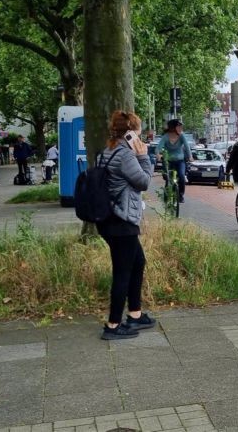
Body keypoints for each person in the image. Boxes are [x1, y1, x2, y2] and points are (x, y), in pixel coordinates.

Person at [97, 110, 155, 340]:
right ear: (131, 134)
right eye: (138, 134)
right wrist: (144, 157)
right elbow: (144, 182)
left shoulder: (107, 150)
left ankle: (135, 313)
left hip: (110, 218)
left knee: (138, 262)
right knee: (123, 272)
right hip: (121, 222)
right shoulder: (125, 155)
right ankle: (112, 326)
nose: (141, 139)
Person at [156, 119, 192, 202]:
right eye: (178, 126)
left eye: (181, 126)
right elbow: (158, 148)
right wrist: (158, 154)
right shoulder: (166, 137)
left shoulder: (182, 136)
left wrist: (190, 156)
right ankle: (166, 194)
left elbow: (187, 147)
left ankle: (181, 195)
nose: (181, 128)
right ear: (172, 128)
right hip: (168, 161)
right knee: (168, 178)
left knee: (182, 176)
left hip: (180, 161)